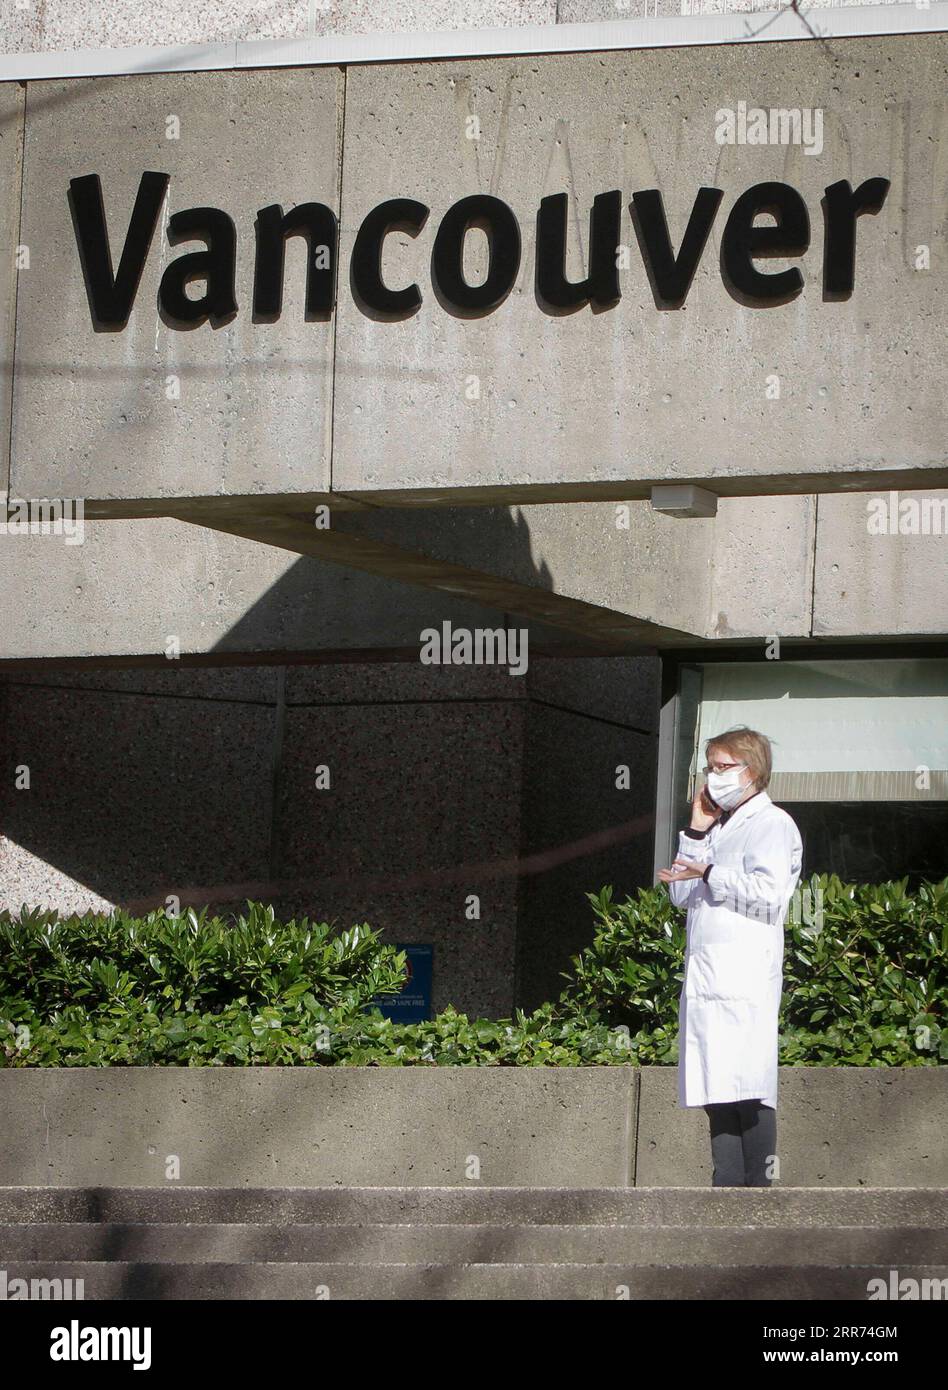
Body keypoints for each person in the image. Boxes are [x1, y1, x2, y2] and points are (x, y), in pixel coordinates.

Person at [658, 727, 802, 1187]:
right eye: (710, 768)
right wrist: (695, 833)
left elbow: (770, 895)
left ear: (752, 771)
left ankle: (758, 1192)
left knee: (749, 1088)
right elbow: (681, 894)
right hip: (709, 980)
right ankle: (726, 1189)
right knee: (715, 1087)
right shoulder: (719, 828)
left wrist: (712, 872)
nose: (713, 777)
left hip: (744, 979)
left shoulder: (771, 823)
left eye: (723, 768)